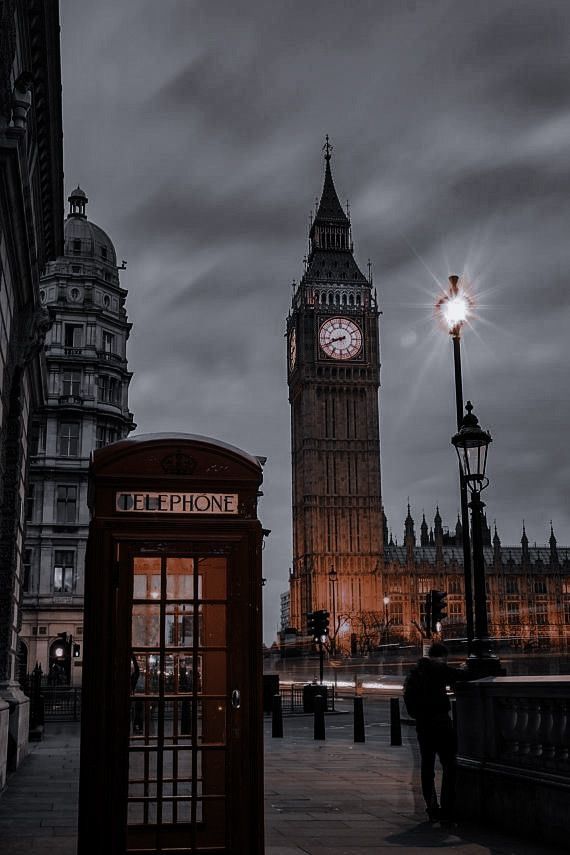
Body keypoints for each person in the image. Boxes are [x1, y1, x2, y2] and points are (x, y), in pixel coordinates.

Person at [403, 642, 467, 823]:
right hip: (441, 723)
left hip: (423, 726)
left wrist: (419, 715)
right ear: (442, 657)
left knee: (427, 767)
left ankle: (431, 806)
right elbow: (464, 675)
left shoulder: (415, 674)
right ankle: (447, 805)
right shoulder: (440, 671)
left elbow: (409, 703)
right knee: (449, 764)